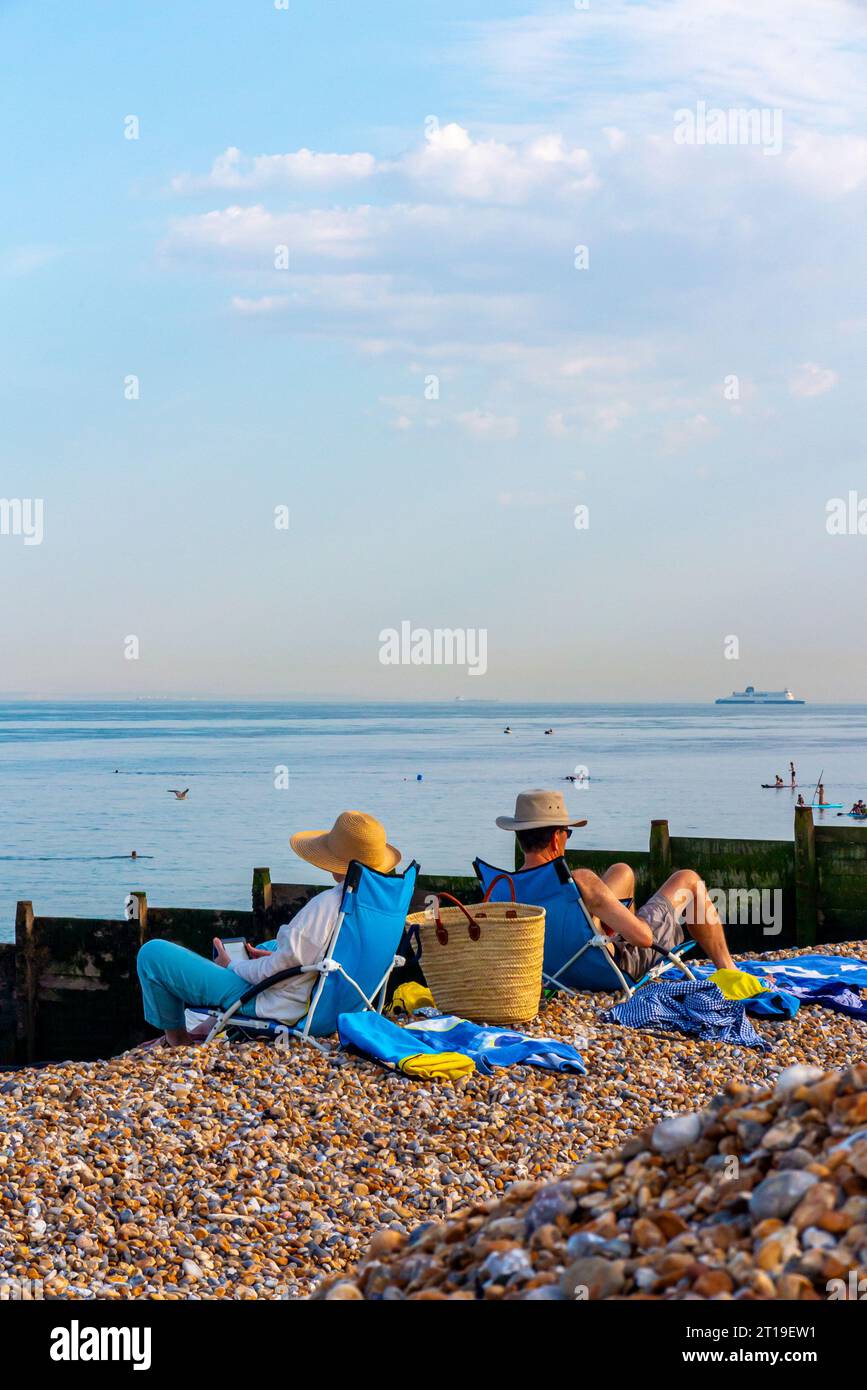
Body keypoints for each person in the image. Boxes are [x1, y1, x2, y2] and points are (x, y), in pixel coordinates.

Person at [136, 811, 402, 1047]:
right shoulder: (379, 908)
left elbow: (271, 972)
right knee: (265, 948)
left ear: (336, 861)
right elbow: (326, 954)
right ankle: (213, 1023)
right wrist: (278, 959)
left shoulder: (327, 906)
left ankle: (177, 1039)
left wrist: (231, 966)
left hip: (283, 1008)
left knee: (153, 954)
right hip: (338, 1010)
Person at [495, 789, 736, 978]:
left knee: (622, 871)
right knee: (688, 880)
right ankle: (728, 970)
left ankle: (616, 923)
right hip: (609, 969)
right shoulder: (579, 880)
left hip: (552, 972)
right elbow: (643, 939)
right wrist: (635, 926)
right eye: (567, 833)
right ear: (557, 840)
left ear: (519, 839)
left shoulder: (504, 887)